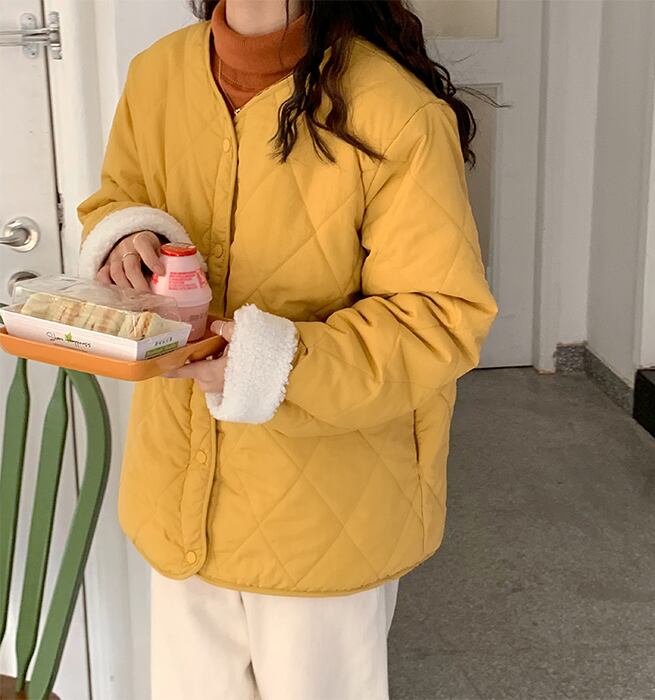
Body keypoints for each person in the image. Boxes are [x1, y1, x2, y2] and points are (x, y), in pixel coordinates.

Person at [76, 0, 498, 697]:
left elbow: (438, 319)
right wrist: (127, 234)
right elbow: (120, 194)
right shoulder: (158, 74)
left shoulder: (395, 109)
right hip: (179, 492)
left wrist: (270, 363)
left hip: (326, 512)